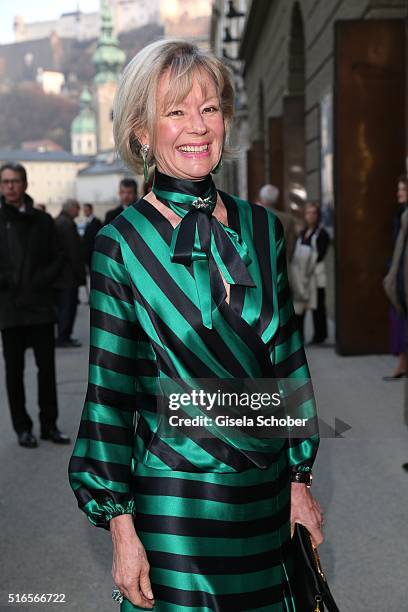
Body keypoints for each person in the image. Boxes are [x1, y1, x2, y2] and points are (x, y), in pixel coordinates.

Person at [68, 40, 323, 611]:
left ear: (226, 122)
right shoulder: (120, 245)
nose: (197, 126)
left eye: (209, 109)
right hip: (176, 503)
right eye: (175, 111)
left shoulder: (263, 228)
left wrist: (299, 479)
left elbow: (285, 359)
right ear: (141, 131)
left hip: (264, 493)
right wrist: (120, 525)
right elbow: (109, 392)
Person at [0, 162, 70, 447]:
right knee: (14, 373)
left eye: (15, 181)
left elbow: (59, 256)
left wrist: (43, 279)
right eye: (5, 182)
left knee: (47, 371)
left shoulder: (43, 221)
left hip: (40, 308)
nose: (10, 187)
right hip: (10, 309)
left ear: (25, 184)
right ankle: (22, 427)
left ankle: (49, 425)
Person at [291, 202, 330, 343]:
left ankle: (320, 336)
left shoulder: (322, 234)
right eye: (308, 213)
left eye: (313, 213)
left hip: (316, 275)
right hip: (302, 276)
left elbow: (320, 254)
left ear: (318, 215)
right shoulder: (302, 233)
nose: (310, 216)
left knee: (318, 307)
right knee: (299, 307)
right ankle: (298, 337)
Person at [383, 175, 408, 380]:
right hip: (400, 272)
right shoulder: (401, 213)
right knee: (400, 319)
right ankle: (402, 364)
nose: (399, 193)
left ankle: (401, 365)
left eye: (402, 189)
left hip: (403, 274)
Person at [54, 199, 86, 348]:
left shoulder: (59, 221)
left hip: (61, 274)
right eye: (77, 208)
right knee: (68, 307)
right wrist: (81, 274)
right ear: (71, 208)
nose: (78, 212)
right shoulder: (67, 224)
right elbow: (73, 252)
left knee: (63, 307)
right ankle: (64, 336)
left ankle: (62, 335)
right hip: (68, 275)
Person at [258, 183, 296, 261]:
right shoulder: (288, 219)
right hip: (280, 263)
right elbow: (291, 246)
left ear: (261, 199)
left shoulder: (251, 216)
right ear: (277, 199)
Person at [82, 203, 102, 270]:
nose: (85, 212)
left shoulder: (97, 222)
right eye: (84, 210)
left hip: (93, 251)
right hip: (87, 252)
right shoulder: (84, 222)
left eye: (86, 210)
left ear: (91, 210)